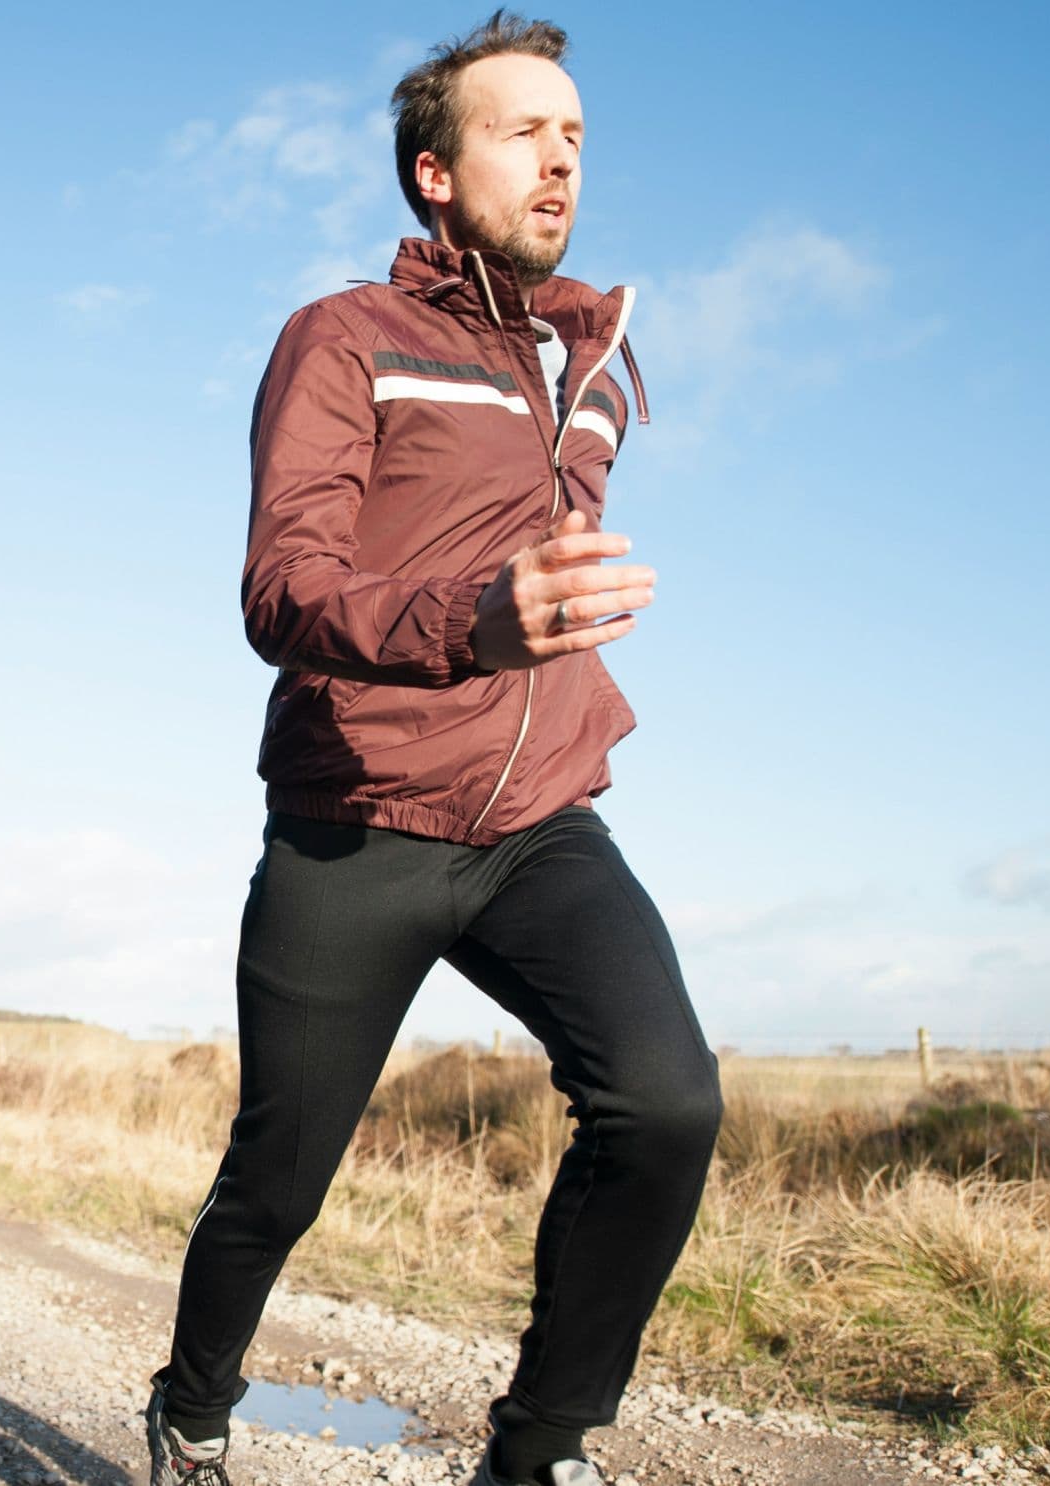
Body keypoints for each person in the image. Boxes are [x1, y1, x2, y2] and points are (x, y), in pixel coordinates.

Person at [144, 13, 722, 1486]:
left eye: (576, 136)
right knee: (279, 1180)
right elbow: (284, 590)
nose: (560, 160)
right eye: (523, 132)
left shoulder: (595, 363)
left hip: (539, 816)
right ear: (434, 172)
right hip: (361, 812)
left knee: (665, 1105)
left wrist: (547, 630)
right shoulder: (345, 338)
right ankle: (193, 1411)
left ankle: (538, 1453)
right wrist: (476, 618)